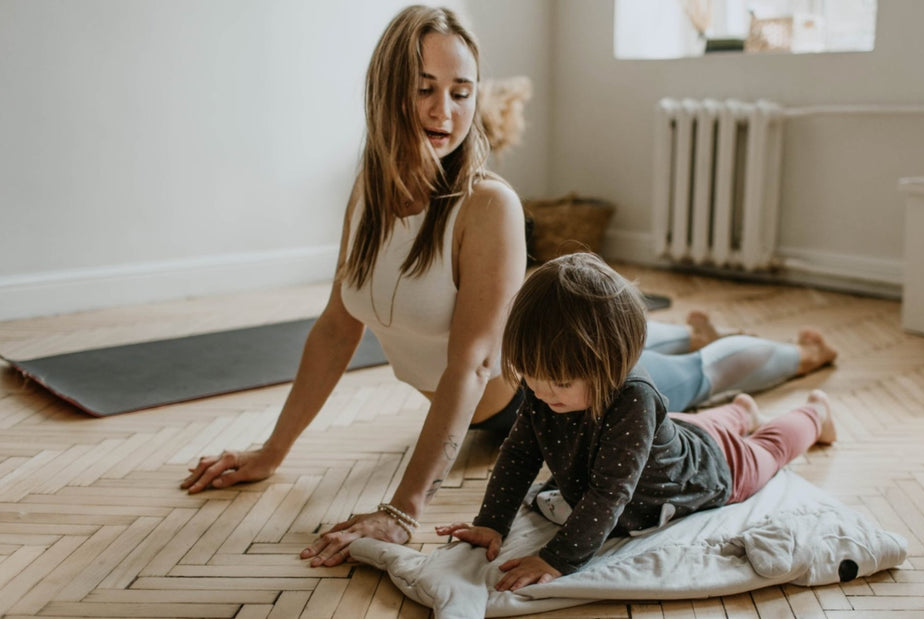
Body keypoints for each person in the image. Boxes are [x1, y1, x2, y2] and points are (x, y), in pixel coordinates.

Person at [178, 4, 835, 567]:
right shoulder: (368, 195)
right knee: (664, 355)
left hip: (554, 395)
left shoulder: (487, 205)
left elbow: (472, 363)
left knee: (694, 374)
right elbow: (334, 329)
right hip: (531, 379)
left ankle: (799, 358)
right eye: (425, 87)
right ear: (386, 89)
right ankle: (692, 347)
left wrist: (402, 511)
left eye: (461, 91)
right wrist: (272, 450)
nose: (445, 109)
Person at [436, 253, 836, 590]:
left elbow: (610, 493)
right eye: (531, 378)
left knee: (768, 448)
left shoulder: (634, 399)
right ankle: (742, 410)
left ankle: (815, 414)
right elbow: (520, 453)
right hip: (676, 433)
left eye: (558, 382)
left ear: (610, 364)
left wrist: (556, 559)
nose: (541, 393)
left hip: (712, 467)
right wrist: (491, 522)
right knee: (696, 426)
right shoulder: (545, 389)